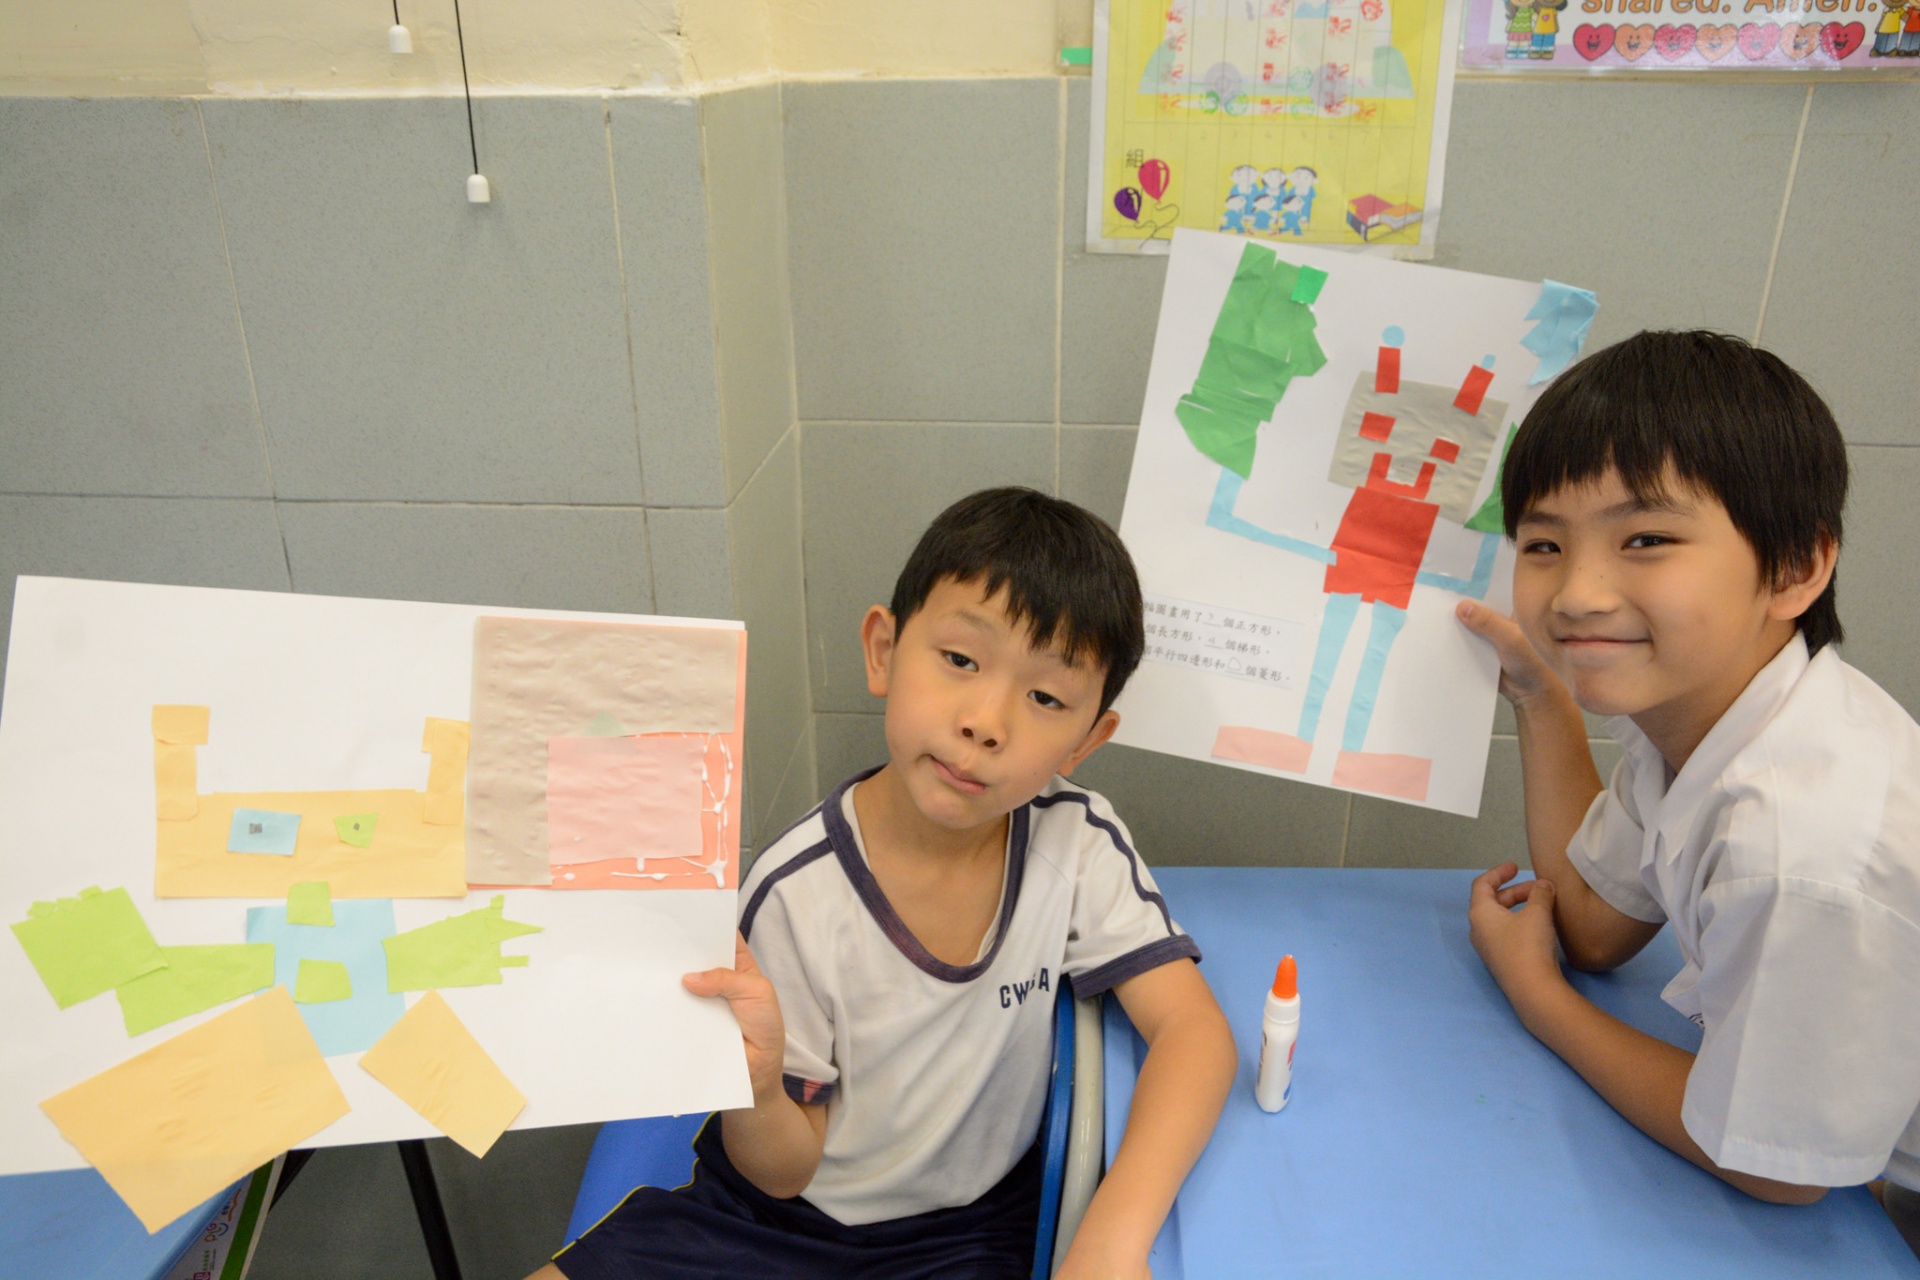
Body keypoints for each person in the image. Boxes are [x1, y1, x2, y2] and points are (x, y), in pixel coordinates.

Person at [538, 488, 1236, 1280]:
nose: (986, 722)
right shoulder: (795, 893)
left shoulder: (1074, 843)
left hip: (972, 1231)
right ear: (883, 650)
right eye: (961, 660)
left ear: (1086, 740)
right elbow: (781, 1171)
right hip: (776, 1224)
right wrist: (760, 1089)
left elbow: (1193, 1033)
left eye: (1045, 697)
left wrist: (1113, 1238)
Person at [1454, 331, 1920, 1244]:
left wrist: (1539, 998)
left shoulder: (1800, 845)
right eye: (1543, 543)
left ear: (1796, 567)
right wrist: (1540, 695)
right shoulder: (1700, 710)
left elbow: (1771, 1168)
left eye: (1647, 539)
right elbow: (1594, 925)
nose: (1577, 593)